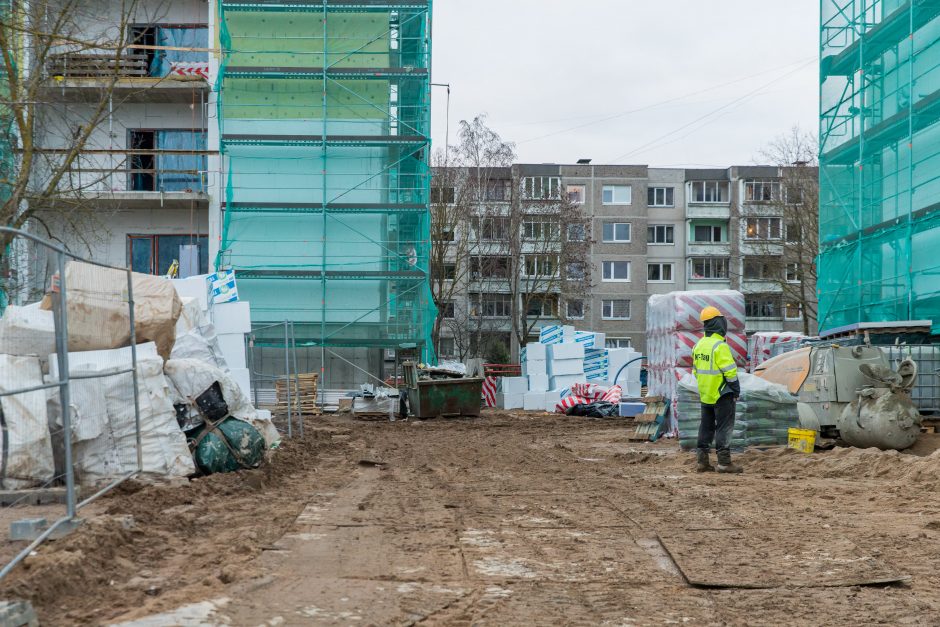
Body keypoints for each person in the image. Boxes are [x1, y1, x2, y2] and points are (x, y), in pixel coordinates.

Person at [692, 306, 742, 473]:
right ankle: (724, 463)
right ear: (719, 323)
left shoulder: (698, 345)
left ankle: (702, 462)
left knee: (705, 427)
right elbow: (730, 372)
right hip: (722, 393)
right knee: (724, 427)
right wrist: (736, 390)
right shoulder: (719, 346)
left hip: (706, 394)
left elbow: (695, 371)